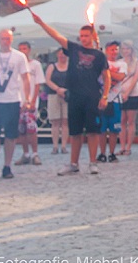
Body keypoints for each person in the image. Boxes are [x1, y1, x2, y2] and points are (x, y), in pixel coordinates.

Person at [32, 15, 110, 176]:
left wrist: (105, 96)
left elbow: (106, 76)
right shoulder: (74, 49)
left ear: (92, 36)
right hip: (74, 96)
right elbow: (56, 36)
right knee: (75, 132)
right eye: (81, 36)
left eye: (86, 36)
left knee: (93, 131)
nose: (83, 38)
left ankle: (93, 162)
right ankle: (73, 163)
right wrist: (41, 23)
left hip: (92, 96)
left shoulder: (99, 55)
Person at [0, 29, 30, 179]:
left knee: (10, 135)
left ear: (11, 40)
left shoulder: (19, 56)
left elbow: (25, 78)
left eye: (7, 39)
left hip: (12, 100)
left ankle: (7, 166)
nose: (5, 41)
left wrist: (27, 99)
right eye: (2, 38)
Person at [14, 41, 44, 167]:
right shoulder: (15, 65)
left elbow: (38, 84)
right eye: (20, 49)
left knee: (32, 129)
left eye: (24, 48)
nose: (22, 51)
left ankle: (35, 153)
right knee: (21, 129)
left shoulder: (35, 65)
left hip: (31, 101)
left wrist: (32, 101)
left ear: (29, 50)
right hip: (18, 100)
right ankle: (25, 153)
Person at [98, 41, 126, 164]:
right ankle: (102, 153)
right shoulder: (101, 62)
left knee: (114, 130)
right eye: (111, 50)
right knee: (102, 129)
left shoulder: (122, 64)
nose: (114, 52)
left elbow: (120, 77)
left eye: (116, 49)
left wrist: (106, 72)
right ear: (106, 51)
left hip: (115, 100)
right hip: (102, 99)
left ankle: (112, 153)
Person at [118, 40, 138, 156]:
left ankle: (128, 147)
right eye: (123, 49)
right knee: (122, 120)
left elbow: (135, 78)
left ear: (131, 49)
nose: (125, 51)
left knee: (131, 121)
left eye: (127, 48)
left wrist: (127, 93)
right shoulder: (119, 62)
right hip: (120, 93)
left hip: (133, 93)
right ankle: (122, 146)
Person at [44, 47, 69, 155]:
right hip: (54, 95)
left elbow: (74, 80)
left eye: (64, 54)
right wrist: (57, 89)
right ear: (57, 55)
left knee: (65, 121)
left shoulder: (71, 67)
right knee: (55, 121)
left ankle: (63, 146)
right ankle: (55, 146)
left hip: (67, 96)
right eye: (60, 53)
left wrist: (65, 90)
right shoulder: (52, 66)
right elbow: (47, 80)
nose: (62, 55)